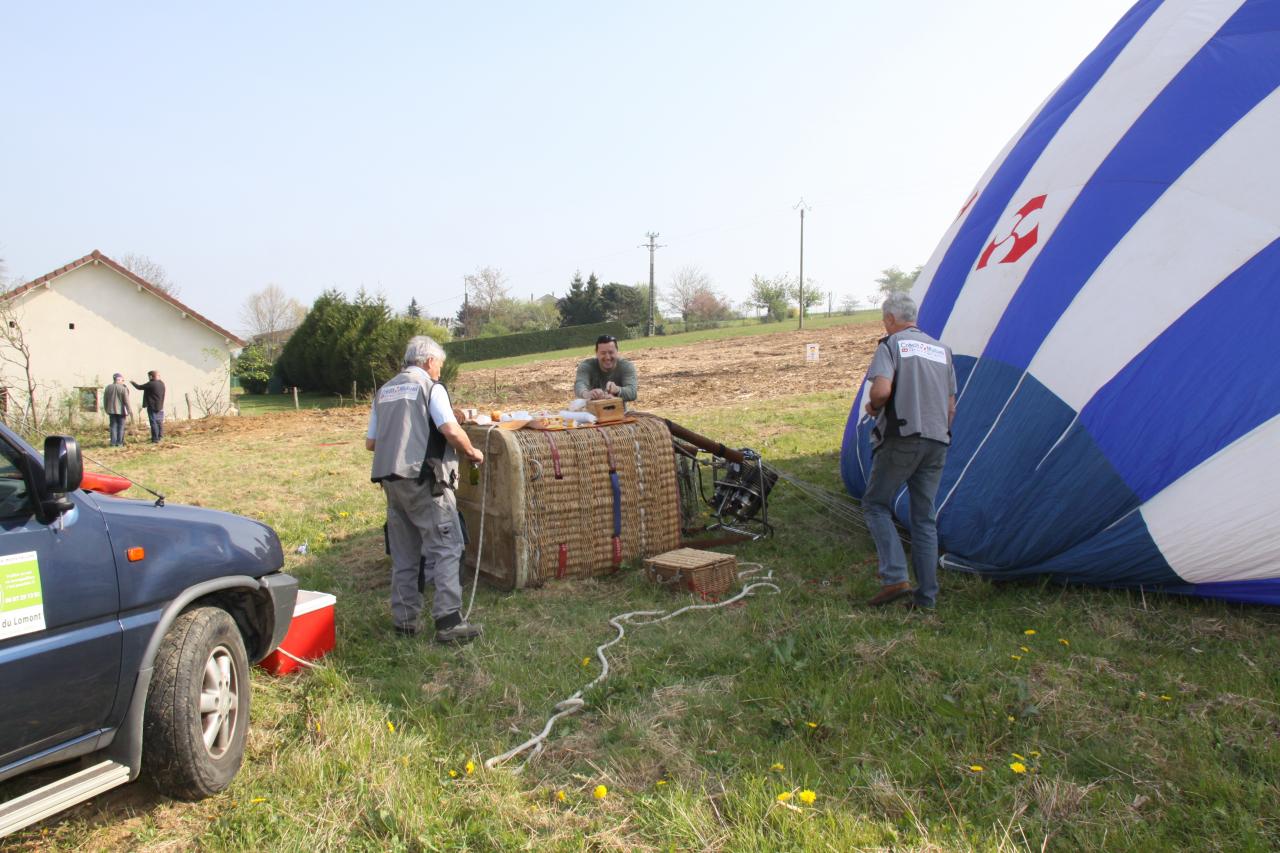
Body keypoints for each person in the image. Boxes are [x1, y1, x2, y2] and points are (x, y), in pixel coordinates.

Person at [366, 336, 485, 644]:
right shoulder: (430, 388)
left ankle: (404, 622)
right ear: (429, 361)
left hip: (390, 481)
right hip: (425, 479)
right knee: (447, 546)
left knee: (405, 554)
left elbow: (371, 443)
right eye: (439, 366)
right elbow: (448, 429)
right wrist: (472, 452)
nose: (440, 372)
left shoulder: (385, 391)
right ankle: (448, 622)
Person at [861, 292, 957, 610]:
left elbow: (882, 389)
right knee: (924, 519)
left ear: (890, 319)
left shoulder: (890, 345)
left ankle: (895, 577)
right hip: (938, 440)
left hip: (902, 438)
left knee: (875, 504)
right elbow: (951, 407)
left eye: (883, 319)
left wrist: (874, 406)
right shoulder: (942, 350)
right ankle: (926, 599)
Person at [573, 334, 638, 403]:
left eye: (611, 352)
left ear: (617, 351)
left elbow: (632, 393)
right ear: (596, 353)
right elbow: (580, 384)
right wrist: (587, 394)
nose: (607, 357)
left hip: (619, 411)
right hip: (592, 411)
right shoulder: (586, 366)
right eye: (603, 353)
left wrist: (617, 390)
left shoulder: (626, 366)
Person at [131, 370, 166, 443]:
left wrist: (133, 383)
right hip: (160, 406)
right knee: (159, 422)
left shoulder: (151, 384)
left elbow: (139, 387)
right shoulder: (162, 384)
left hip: (152, 407)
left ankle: (155, 439)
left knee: (153, 422)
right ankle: (160, 437)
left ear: (151, 376)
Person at [102, 373, 132, 446]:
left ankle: (113, 443)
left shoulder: (108, 387)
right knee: (121, 427)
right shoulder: (123, 388)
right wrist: (129, 411)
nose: (123, 381)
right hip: (121, 411)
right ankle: (119, 443)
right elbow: (126, 401)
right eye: (122, 380)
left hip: (111, 411)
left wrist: (106, 408)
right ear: (118, 379)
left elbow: (105, 399)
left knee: (113, 427)